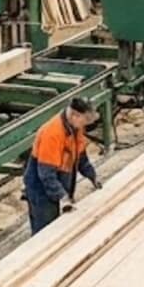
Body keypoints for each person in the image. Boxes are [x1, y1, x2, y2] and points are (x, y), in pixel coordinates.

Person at [23, 97, 102, 235]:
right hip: (41, 188)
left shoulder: (76, 128)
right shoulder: (52, 133)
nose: (86, 123)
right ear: (75, 115)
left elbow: (81, 158)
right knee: (46, 231)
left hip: (59, 180)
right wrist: (62, 197)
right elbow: (46, 174)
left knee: (61, 226)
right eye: (86, 119)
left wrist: (93, 176)